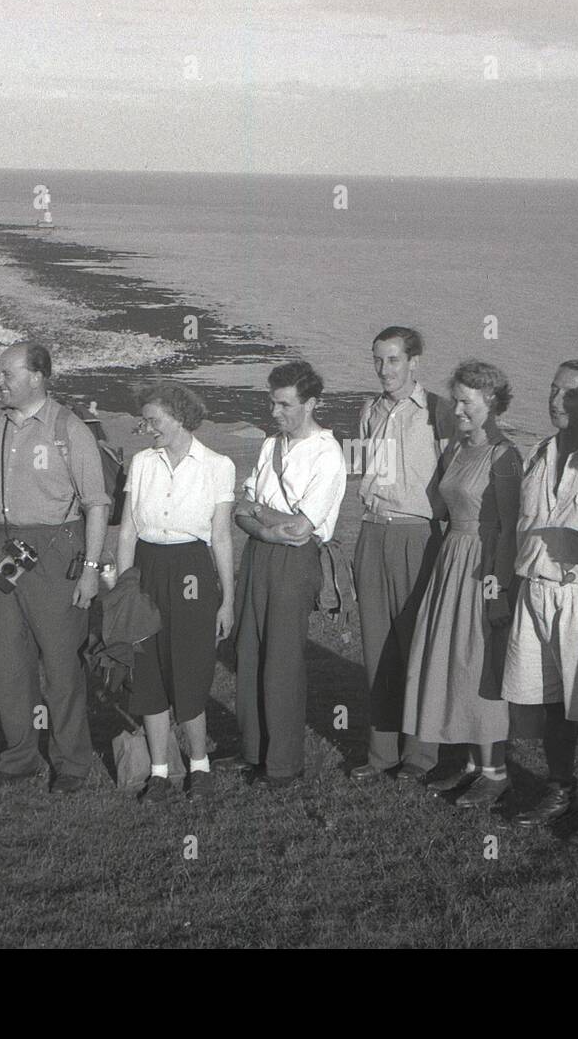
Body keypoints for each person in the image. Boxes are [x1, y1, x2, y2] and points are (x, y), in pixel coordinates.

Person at [0, 342, 111, 794]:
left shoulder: (70, 430)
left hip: (54, 550)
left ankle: (71, 763)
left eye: (7, 373)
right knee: (8, 663)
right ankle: (19, 759)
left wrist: (90, 569)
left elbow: (97, 503)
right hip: (2, 550)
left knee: (61, 663)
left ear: (37, 376)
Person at [501, 359, 578, 840]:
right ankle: (560, 788)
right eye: (554, 390)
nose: (556, 401)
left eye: (570, 394)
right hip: (534, 591)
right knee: (550, 699)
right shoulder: (538, 451)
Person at [403, 360, 521, 808]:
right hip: (451, 559)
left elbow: (509, 528)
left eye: (466, 401)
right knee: (456, 662)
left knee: (480, 665)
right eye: (454, 399)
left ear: (491, 404)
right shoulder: (455, 448)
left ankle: (497, 772)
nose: (456, 408)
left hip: (483, 565)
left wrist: (499, 589)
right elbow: (439, 505)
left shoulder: (505, 456)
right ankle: (473, 765)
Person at [115, 382, 236, 802]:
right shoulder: (142, 463)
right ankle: (160, 772)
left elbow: (220, 538)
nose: (148, 429)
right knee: (147, 669)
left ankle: (200, 767)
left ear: (180, 416)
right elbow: (128, 530)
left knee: (189, 665)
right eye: (145, 421)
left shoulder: (218, 466)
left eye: (154, 420)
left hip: (192, 571)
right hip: (147, 568)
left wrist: (227, 600)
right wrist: (126, 589)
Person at [229, 361, 346, 789]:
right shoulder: (270, 446)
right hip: (259, 553)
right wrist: (263, 523)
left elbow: (302, 530)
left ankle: (282, 763)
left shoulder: (327, 453)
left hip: (295, 564)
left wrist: (258, 512)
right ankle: (253, 750)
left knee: (281, 659)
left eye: (285, 405)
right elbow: (238, 511)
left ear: (311, 403)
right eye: (272, 403)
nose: (276, 412)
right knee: (249, 650)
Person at [349, 326, 456, 785]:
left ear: (415, 362)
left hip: (419, 535)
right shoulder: (369, 410)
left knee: (419, 646)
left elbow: (456, 476)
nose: (384, 370)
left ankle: (421, 754)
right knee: (378, 646)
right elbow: (366, 473)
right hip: (373, 533)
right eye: (378, 360)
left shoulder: (439, 411)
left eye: (393, 360)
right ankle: (381, 754)